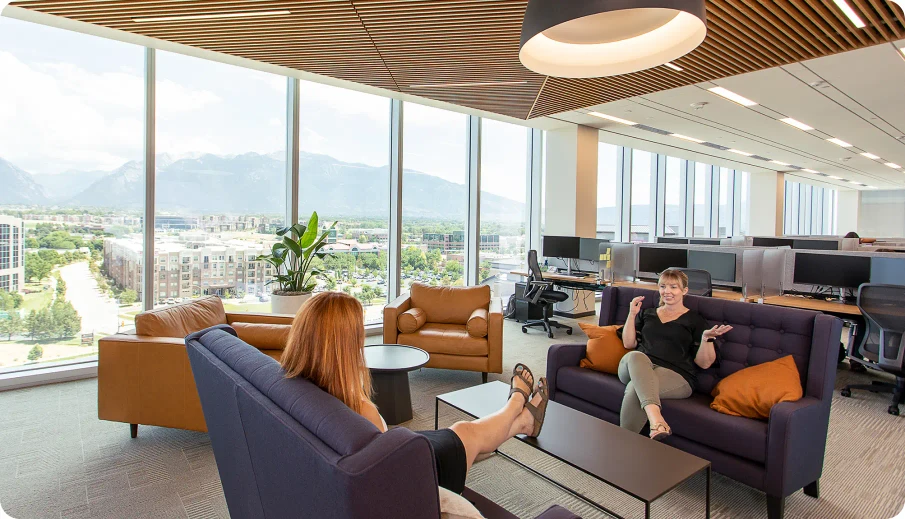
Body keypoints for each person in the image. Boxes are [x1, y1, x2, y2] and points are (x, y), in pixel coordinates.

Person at [280, 291, 549, 495]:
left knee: (465, 433)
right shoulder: (359, 410)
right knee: (469, 434)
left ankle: (524, 422)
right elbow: (388, 473)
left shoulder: (299, 388)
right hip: (414, 472)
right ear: (343, 347)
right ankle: (516, 403)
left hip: (405, 448)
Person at [618, 269, 732, 440]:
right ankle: (656, 418)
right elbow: (629, 344)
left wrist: (706, 339)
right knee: (635, 356)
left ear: (684, 291)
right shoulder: (648, 313)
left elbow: (704, 364)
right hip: (637, 367)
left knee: (636, 388)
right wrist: (632, 314)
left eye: (674, 287)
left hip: (677, 375)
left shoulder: (695, 320)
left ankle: (625, 446)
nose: (667, 291)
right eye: (663, 286)